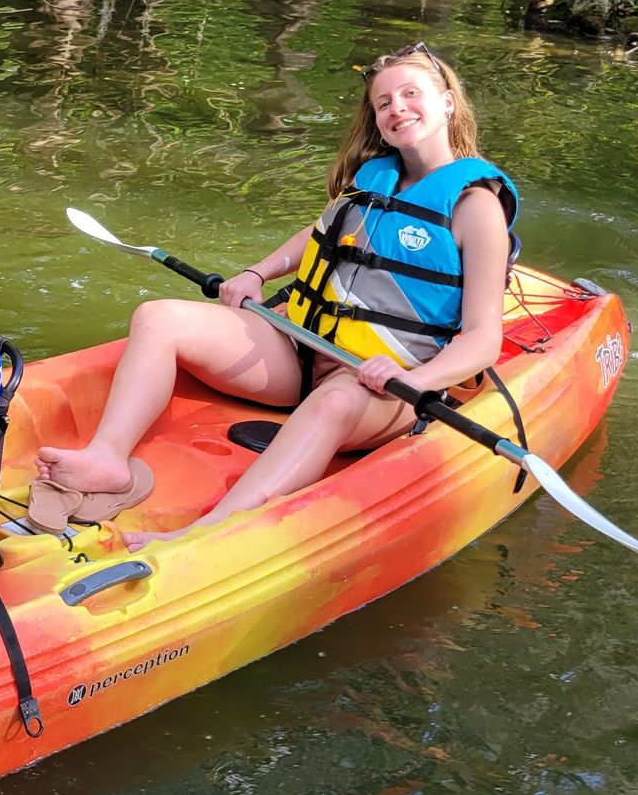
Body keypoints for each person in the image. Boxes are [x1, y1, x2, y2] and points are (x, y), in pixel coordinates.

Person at [30, 43, 516, 545]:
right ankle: (108, 459)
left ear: (448, 103)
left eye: (411, 94)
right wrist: (256, 274)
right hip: (302, 350)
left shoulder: (475, 206)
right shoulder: (375, 179)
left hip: (384, 388)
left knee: (335, 402)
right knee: (158, 316)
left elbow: (483, 340)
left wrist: (414, 377)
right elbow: (321, 235)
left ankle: (209, 533)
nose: (397, 109)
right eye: (384, 102)